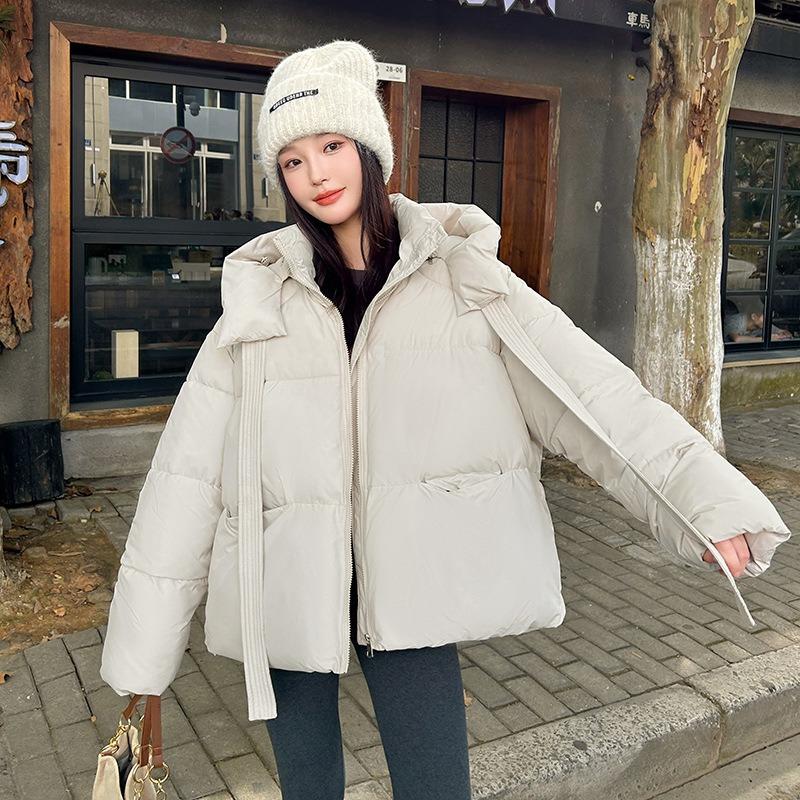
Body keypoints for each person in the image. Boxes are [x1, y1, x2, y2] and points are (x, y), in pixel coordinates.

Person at [99, 40, 792, 799]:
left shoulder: (465, 280)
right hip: (284, 590)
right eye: (292, 160)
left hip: (411, 589)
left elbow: (594, 397)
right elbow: (187, 477)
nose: (316, 174)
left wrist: (701, 505)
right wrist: (143, 660)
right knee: (307, 788)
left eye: (331, 146)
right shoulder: (259, 302)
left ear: (370, 150)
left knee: (435, 787)